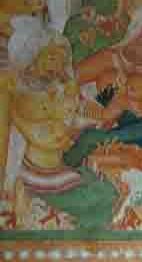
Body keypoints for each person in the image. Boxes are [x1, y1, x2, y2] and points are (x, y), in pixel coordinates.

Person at [0, 16, 119, 229]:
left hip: (58, 164)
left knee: (107, 194)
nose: (58, 65)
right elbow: (6, 135)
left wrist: (98, 112)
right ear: (33, 57)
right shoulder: (18, 94)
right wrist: (7, 184)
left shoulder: (58, 88)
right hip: (37, 172)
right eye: (52, 57)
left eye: (62, 59)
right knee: (99, 200)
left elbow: (73, 120)